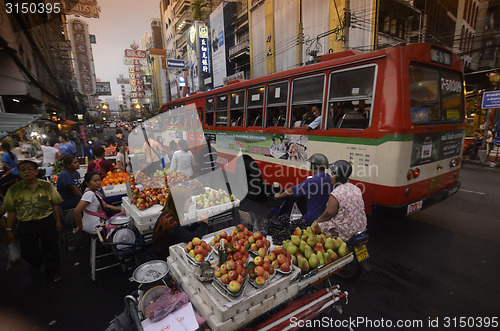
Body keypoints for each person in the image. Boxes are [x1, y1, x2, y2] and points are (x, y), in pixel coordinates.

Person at [3, 160, 63, 282]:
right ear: (18, 173)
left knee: (51, 248)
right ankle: (36, 263)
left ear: (36, 171)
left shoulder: (46, 186)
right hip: (26, 224)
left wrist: (58, 220)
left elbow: (55, 203)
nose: (26, 172)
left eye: (30, 169)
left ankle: (52, 271)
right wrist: (9, 230)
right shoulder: (14, 190)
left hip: (46, 221)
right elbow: (11, 211)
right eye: (23, 170)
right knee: (28, 251)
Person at [312, 160, 367, 241]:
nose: (331, 176)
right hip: (360, 227)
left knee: (317, 227)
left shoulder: (336, 193)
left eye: (333, 174)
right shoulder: (356, 188)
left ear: (339, 176)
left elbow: (328, 213)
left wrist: (316, 222)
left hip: (345, 231)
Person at [274, 153, 333, 225]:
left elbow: (292, 190)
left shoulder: (312, 181)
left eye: (311, 165)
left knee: (295, 227)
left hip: (313, 218)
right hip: (327, 217)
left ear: (315, 166)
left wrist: (279, 196)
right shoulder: (330, 179)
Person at [152, 186, 208, 260]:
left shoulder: (169, 214)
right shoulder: (170, 222)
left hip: (167, 249)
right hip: (165, 257)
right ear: (180, 203)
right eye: (189, 201)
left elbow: (182, 231)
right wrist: (204, 223)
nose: (190, 204)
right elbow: (193, 239)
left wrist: (197, 223)